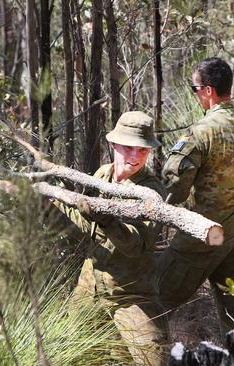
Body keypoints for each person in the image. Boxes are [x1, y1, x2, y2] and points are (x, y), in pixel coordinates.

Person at [155, 57, 234, 336]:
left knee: (153, 297)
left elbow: (174, 188)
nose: (195, 95)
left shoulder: (201, 132)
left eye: (195, 89)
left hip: (204, 233)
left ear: (208, 91)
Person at [52, 111, 166, 366]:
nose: (135, 157)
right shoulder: (102, 175)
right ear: (113, 144)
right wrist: (56, 202)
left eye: (142, 150)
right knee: (71, 356)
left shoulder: (151, 192)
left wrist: (108, 220)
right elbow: (85, 227)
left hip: (132, 293)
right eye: (128, 148)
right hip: (89, 288)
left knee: (154, 359)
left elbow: (136, 246)